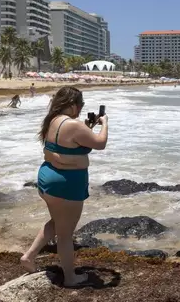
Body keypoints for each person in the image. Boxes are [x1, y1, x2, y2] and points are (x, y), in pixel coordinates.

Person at [20, 86, 108, 288]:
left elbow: (71, 143)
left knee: (58, 222)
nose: (81, 108)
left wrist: (87, 127)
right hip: (66, 184)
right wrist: (105, 123)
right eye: (81, 104)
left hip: (48, 179)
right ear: (72, 104)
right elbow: (100, 143)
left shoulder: (53, 120)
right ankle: (70, 277)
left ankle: (29, 256)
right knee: (66, 234)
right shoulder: (73, 125)